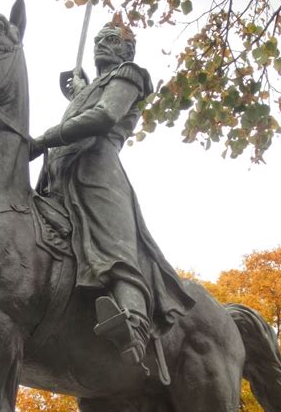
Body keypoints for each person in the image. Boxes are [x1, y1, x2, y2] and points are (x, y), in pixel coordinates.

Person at [30, 21, 195, 376]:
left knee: (113, 248)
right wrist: (80, 92)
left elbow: (104, 115)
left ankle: (133, 323)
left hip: (96, 171)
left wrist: (44, 138)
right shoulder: (92, 87)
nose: (101, 45)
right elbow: (89, 105)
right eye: (98, 40)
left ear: (126, 51)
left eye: (111, 40)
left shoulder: (130, 74)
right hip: (58, 174)